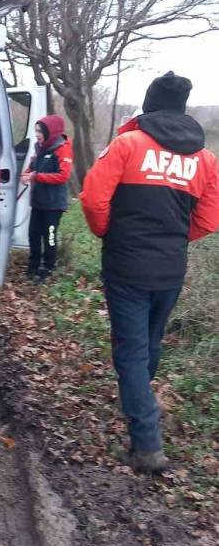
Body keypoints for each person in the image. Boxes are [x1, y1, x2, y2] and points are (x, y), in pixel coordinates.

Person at [80, 71, 219, 473]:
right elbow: (208, 221)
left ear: (149, 103)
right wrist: (173, 242)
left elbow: (92, 200)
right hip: (170, 270)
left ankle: (146, 445)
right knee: (149, 345)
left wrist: (109, 232)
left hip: (127, 267)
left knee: (131, 355)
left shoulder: (128, 144)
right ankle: (140, 402)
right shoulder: (205, 160)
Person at [21, 114, 73, 282]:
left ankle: (48, 267)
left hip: (54, 204)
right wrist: (26, 174)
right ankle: (33, 265)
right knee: (33, 234)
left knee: (49, 235)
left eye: (40, 131)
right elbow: (32, 168)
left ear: (51, 132)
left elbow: (62, 176)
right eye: (36, 131)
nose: (37, 134)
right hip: (38, 202)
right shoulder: (39, 148)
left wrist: (36, 176)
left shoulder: (63, 148)